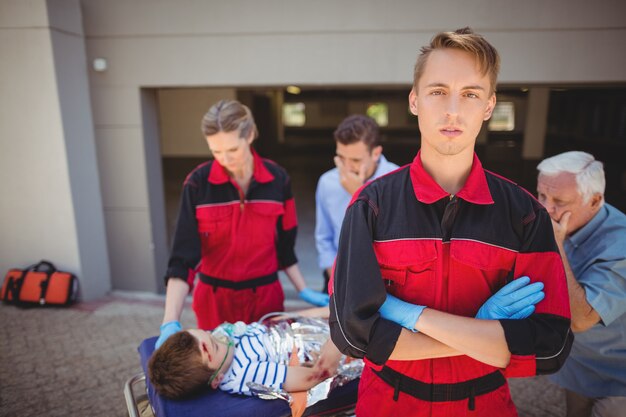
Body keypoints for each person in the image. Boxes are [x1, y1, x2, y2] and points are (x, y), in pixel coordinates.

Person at [329, 27, 573, 417]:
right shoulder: (370, 207)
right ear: (414, 100)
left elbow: (549, 344)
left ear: (489, 106)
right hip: (388, 404)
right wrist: (481, 332)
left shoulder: (524, 214)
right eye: (438, 91)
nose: (453, 110)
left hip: (484, 406)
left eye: (471, 94)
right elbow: (353, 334)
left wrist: (411, 318)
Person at [156, 99, 329, 349]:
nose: (225, 159)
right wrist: (169, 320)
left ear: (249, 135)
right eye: (216, 151)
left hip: (265, 299)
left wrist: (303, 289)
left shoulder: (278, 179)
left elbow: (285, 246)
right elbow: (182, 260)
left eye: (232, 150)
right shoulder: (197, 184)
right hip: (214, 302)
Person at [536, 151, 626, 417]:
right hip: (580, 362)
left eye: (559, 201)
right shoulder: (559, 221)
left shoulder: (620, 244)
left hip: (619, 372)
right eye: (541, 196)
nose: (546, 209)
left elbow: (581, 319)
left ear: (595, 200)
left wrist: (555, 246)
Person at [315, 115, 398, 291]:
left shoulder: (397, 182)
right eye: (341, 158)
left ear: (376, 153)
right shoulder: (327, 182)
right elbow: (324, 238)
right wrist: (337, 281)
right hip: (338, 278)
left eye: (355, 160)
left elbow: (395, 236)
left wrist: (359, 194)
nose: (346, 167)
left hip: (385, 281)